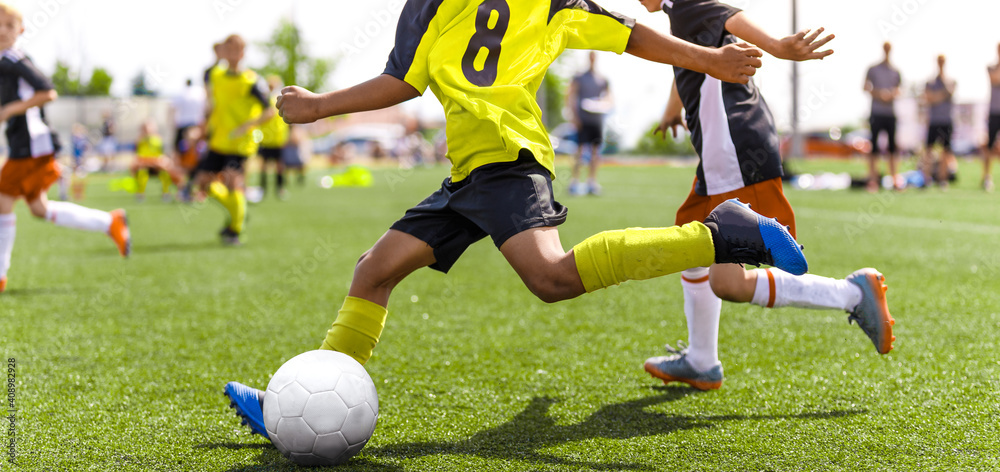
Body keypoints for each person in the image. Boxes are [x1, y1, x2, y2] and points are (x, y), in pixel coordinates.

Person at [223, 0, 809, 439]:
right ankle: (292, 407)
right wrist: (710, 58)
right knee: (374, 269)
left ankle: (723, 233)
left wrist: (319, 105)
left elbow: (402, 81)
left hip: (509, 163)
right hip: (468, 175)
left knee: (551, 278)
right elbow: (631, 37)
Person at [646, 0, 894, 391]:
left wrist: (778, 46)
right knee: (688, 248)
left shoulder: (686, 4)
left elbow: (726, 15)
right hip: (721, 156)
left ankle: (851, 294)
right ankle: (701, 359)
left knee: (727, 282)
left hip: (734, 153)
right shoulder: (680, 16)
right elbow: (689, 59)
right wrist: (672, 108)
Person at [0, 3, 130, 293]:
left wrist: (10, 111)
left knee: (2, 199)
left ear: (21, 31)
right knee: (38, 209)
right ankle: (110, 222)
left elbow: (48, 91)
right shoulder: (3, 61)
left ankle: (0, 275)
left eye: (9, 26)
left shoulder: (14, 59)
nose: (2, 31)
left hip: (34, 145)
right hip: (26, 146)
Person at [193, 34, 274, 244]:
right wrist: (202, 129)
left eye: (237, 50)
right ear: (222, 52)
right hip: (218, 139)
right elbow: (210, 99)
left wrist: (247, 125)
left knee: (232, 183)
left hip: (240, 143)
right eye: (228, 49)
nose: (232, 54)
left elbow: (270, 111)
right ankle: (239, 213)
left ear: (243, 53)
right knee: (203, 183)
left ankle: (235, 229)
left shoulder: (252, 80)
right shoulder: (216, 76)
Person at [567, 51, 612, 196]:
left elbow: (609, 97)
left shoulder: (602, 79)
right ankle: (574, 182)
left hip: (596, 120)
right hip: (583, 119)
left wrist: (603, 104)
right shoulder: (579, 77)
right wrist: (573, 116)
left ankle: (591, 182)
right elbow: (570, 95)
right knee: (579, 151)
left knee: (595, 153)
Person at [864, 42, 902, 192]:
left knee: (892, 147)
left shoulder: (895, 71)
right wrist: (879, 94)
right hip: (876, 112)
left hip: (890, 113)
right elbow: (865, 87)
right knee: (874, 147)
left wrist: (892, 94)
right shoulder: (873, 69)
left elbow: (900, 88)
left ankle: (894, 179)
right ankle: (872, 179)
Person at [922, 54, 956, 189]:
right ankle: (926, 179)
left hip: (946, 121)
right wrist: (942, 95)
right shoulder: (930, 82)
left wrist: (938, 94)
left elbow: (950, 92)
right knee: (929, 150)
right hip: (934, 121)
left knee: (945, 151)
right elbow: (929, 98)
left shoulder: (950, 80)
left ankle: (943, 179)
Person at [131, 120, 183, 202]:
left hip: (156, 165)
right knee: (142, 173)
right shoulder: (139, 140)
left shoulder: (158, 139)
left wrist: (160, 163)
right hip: (144, 165)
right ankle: (140, 193)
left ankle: (166, 193)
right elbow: (137, 156)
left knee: (165, 173)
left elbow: (161, 155)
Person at [257, 75, 290, 199]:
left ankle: (280, 189)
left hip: (278, 138)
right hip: (266, 138)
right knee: (264, 166)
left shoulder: (281, 99)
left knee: (279, 166)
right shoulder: (264, 99)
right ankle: (262, 189)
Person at [171, 79, 206, 167]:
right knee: (196, 149)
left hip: (183, 124)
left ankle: (182, 168)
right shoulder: (200, 93)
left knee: (180, 150)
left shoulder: (181, 93)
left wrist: (172, 124)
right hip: (196, 123)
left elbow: (172, 109)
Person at [984, 43, 1000, 192]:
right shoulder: (991, 67)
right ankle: (987, 178)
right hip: (995, 111)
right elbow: (996, 79)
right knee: (989, 146)